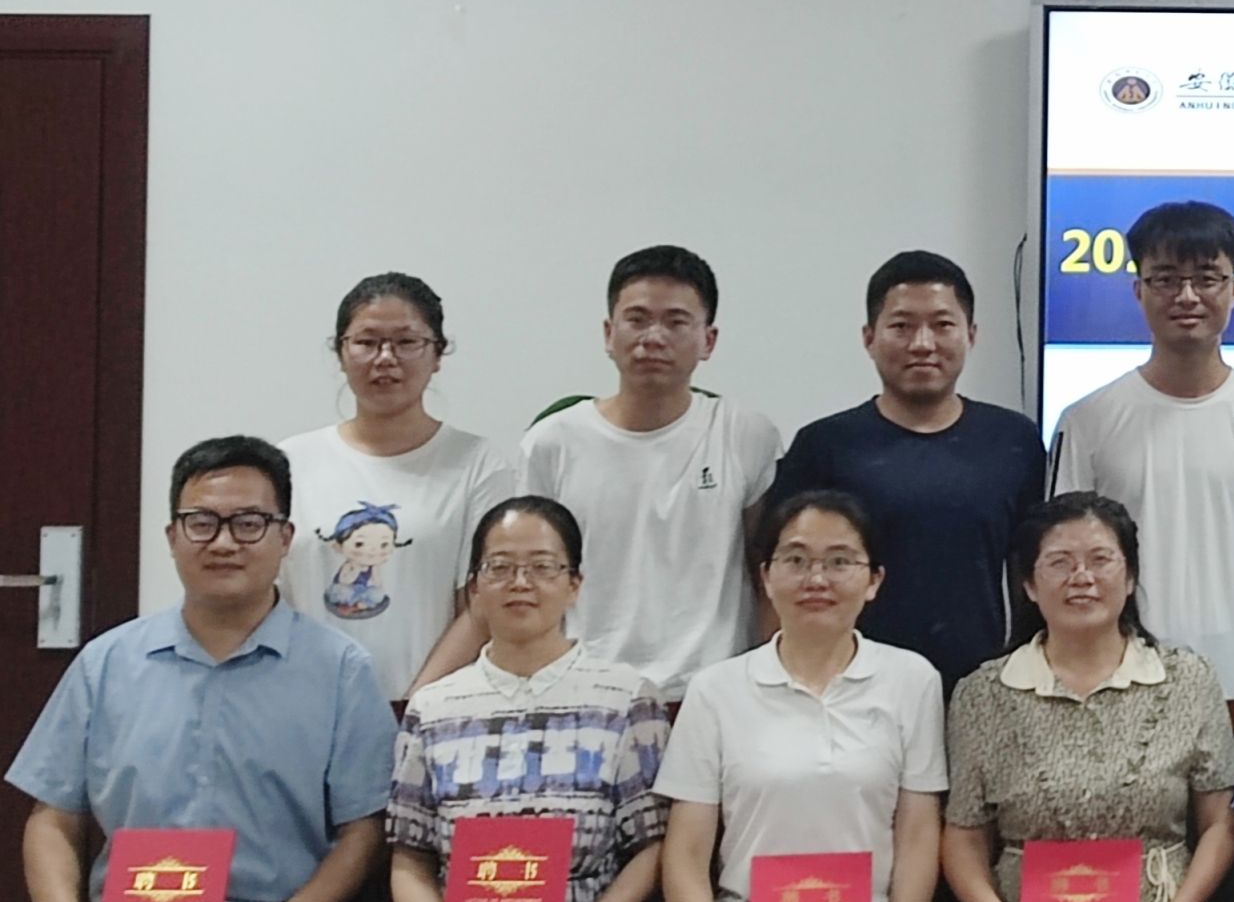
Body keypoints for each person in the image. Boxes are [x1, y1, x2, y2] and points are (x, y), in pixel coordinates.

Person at [0, 437, 396, 902]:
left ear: (284, 538)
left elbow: (363, 833)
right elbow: (52, 818)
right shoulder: (107, 664)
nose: (224, 542)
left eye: (250, 522)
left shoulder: (339, 670)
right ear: (172, 536)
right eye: (202, 522)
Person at [360, 497, 669, 902]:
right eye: (499, 567)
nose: (520, 583)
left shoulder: (625, 699)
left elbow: (651, 852)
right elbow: (410, 859)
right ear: (475, 587)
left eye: (542, 567)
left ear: (574, 583)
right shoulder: (433, 708)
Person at [655, 491, 946, 902]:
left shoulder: (912, 681)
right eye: (796, 559)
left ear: (874, 580)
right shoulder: (716, 691)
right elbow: (686, 852)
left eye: (840, 561)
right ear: (766, 577)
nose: (817, 579)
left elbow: (917, 832)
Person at [429, 246, 780, 700]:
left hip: (711, 692)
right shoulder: (554, 442)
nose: (654, 337)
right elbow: (523, 578)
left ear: (708, 340)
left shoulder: (744, 434)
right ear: (609, 333)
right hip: (584, 689)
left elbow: (768, 575)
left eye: (676, 322)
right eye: (637, 319)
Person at [1046, 201, 1234, 701]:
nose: (1186, 296)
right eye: (1165, 279)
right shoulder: (1086, 420)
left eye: (1206, 278)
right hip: (1115, 687)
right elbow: (1059, 557)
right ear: (1138, 290)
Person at [941, 494, 1234, 902]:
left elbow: (1220, 823)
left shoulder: (1188, 680)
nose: (1082, 578)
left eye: (1101, 560)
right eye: (1059, 563)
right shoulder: (982, 694)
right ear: (1028, 585)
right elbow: (964, 834)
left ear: (1131, 576)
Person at [768, 250, 1045, 691]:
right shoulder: (824, 446)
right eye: (901, 326)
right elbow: (780, 572)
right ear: (868, 338)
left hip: (979, 687)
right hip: (846, 688)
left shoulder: (1014, 441)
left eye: (942, 324)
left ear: (971, 334)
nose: (922, 343)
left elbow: (1031, 573)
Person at [279, 272, 523, 701]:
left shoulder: (479, 464)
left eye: (407, 342)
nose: (386, 358)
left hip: (430, 710)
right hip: (305, 705)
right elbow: (269, 597)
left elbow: (481, 606)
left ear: (438, 354)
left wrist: (416, 707)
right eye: (367, 342)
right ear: (340, 352)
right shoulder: (291, 462)